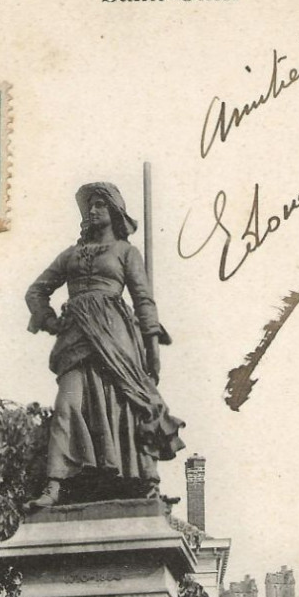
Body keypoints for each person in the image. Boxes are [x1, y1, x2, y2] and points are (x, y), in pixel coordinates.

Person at [25, 182, 185, 508]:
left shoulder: (127, 253)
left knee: (129, 405)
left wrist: (152, 348)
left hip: (117, 338)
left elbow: (143, 300)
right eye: (89, 207)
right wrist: (50, 320)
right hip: (75, 339)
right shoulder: (70, 255)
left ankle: (146, 482)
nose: (92, 211)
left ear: (114, 211)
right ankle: (54, 485)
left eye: (99, 205)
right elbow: (36, 291)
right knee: (67, 405)